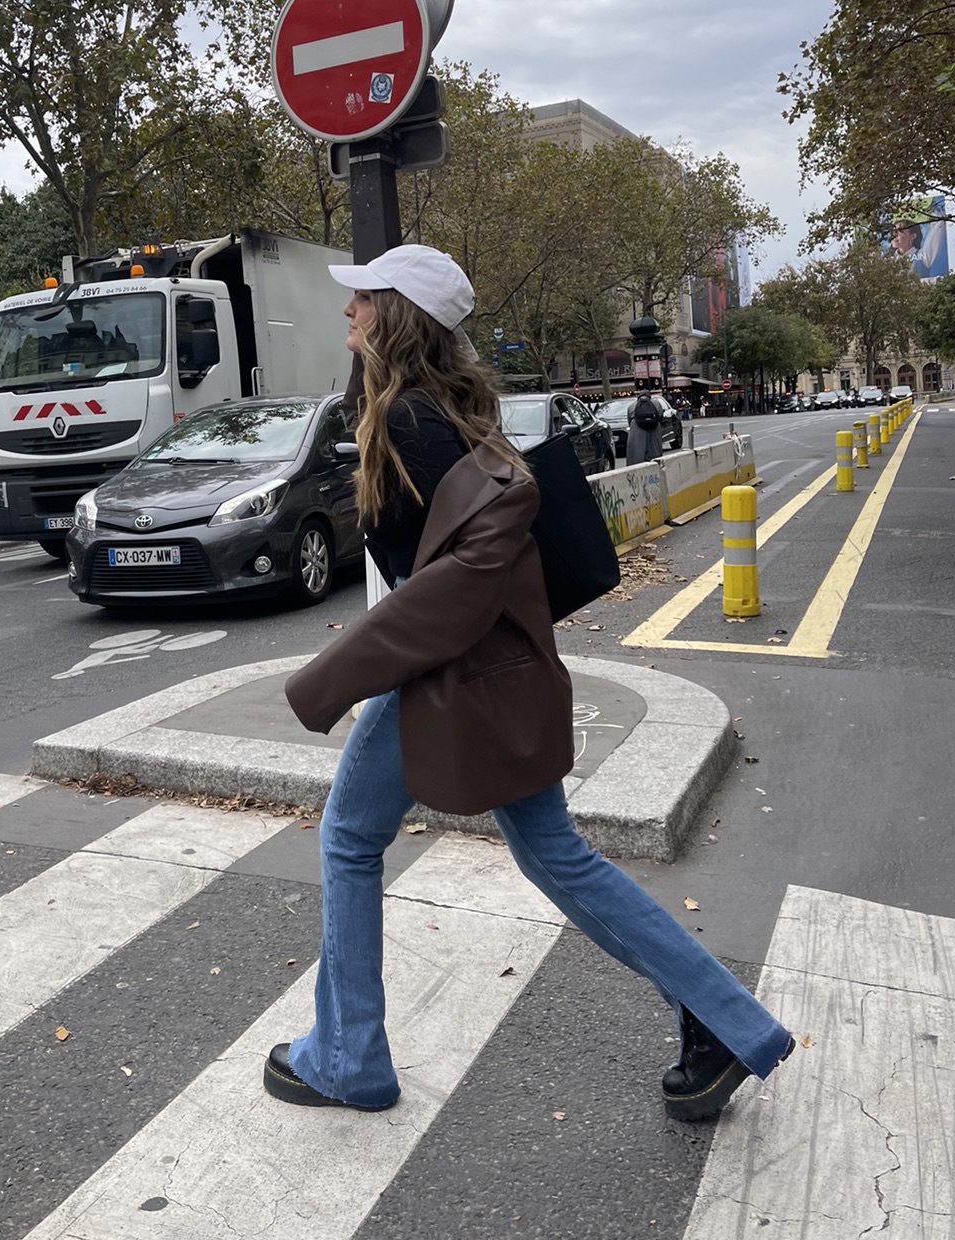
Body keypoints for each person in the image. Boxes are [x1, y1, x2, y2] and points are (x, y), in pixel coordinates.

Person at [263, 243, 794, 1120]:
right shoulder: (440, 409)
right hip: (492, 667)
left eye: (364, 299)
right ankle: (726, 1020)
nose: (347, 310)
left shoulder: (411, 425)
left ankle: (350, 1058)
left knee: (351, 841)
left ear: (398, 315)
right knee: (552, 854)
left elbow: (459, 578)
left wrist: (334, 675)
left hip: (448, 669)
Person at [626, 387, 664, 465]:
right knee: (655, 455)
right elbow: (660, 416)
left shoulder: (632, 406)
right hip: (654, 431)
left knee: (636, 457)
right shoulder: (656, 404)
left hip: (637, 431)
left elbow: (629, 419)